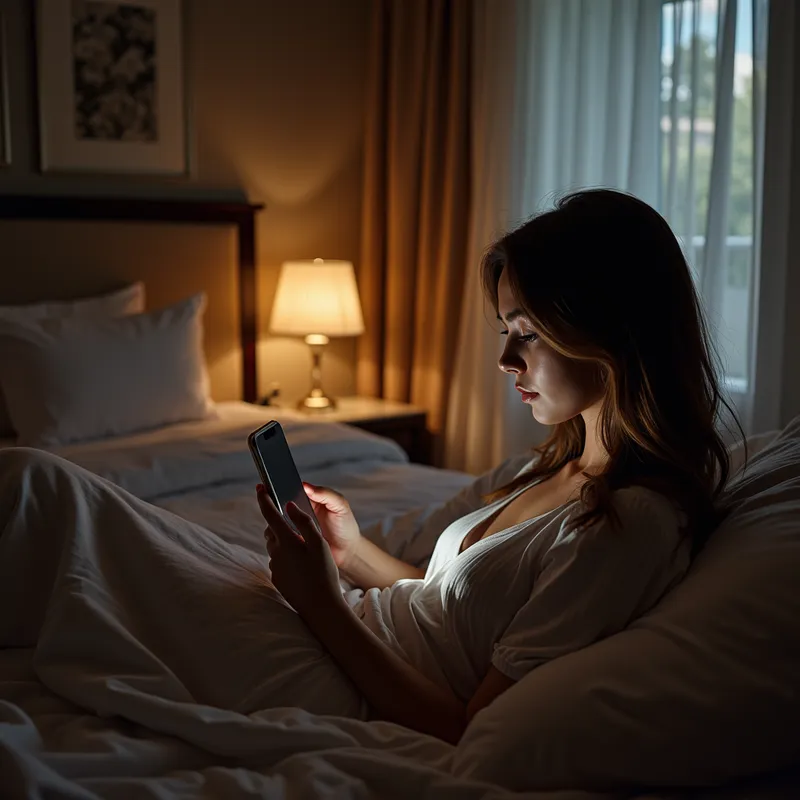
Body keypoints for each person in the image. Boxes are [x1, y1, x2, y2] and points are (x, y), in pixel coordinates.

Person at [0, 189, 741, 747]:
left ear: (613, 331)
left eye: (529, 333)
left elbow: (466, 727)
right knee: (46, 493)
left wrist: (322, 603)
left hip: (334, 672)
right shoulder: (564, 465)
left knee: (42, 490)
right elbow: (448, 611)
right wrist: (351, 553)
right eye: (506, 331)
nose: (505, 360)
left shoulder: (630, 523)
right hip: (339, 626)